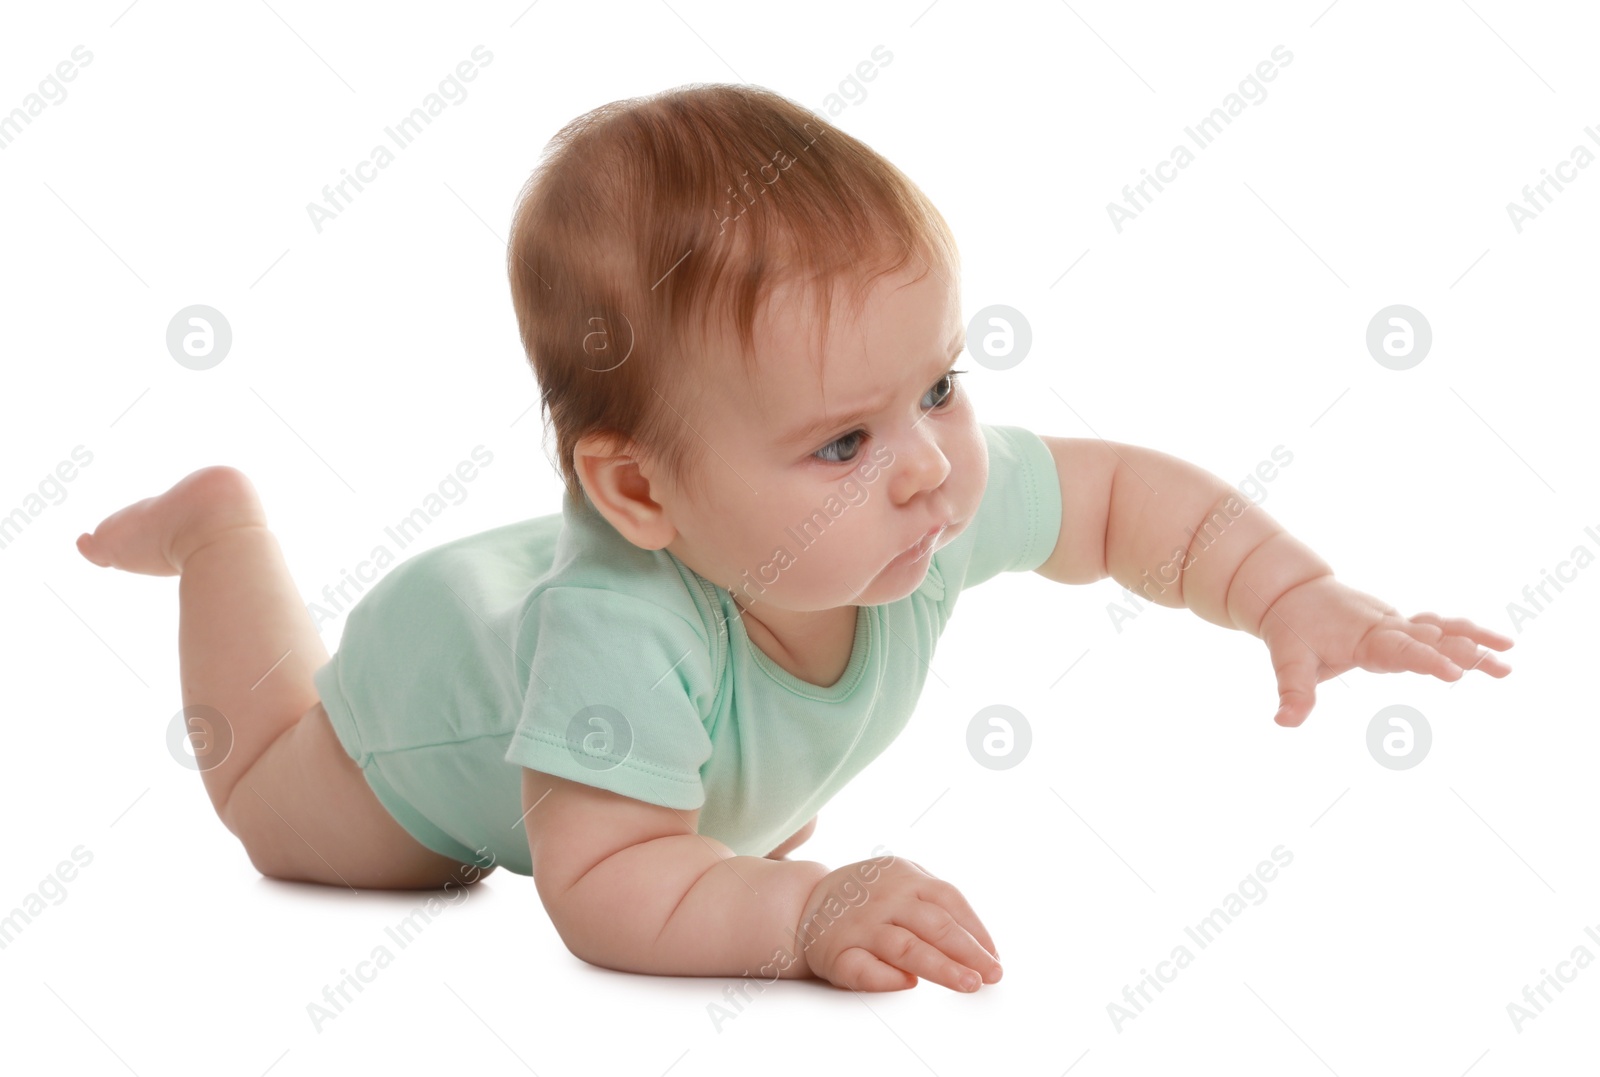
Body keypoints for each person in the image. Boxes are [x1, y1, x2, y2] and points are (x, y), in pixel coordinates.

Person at [74, 83, 1513, 995]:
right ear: (642, 497)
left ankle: (737, 771)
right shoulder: (620, 640)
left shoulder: (925, 496)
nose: (930, 468)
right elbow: (610, 887)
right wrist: (803, 909)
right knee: (273, 795)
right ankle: (219, 529)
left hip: (607, 608)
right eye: (843, 439)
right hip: (433, 709)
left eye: (941, 385)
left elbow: (1123, 498)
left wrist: (1289, 589)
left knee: (719, 783)